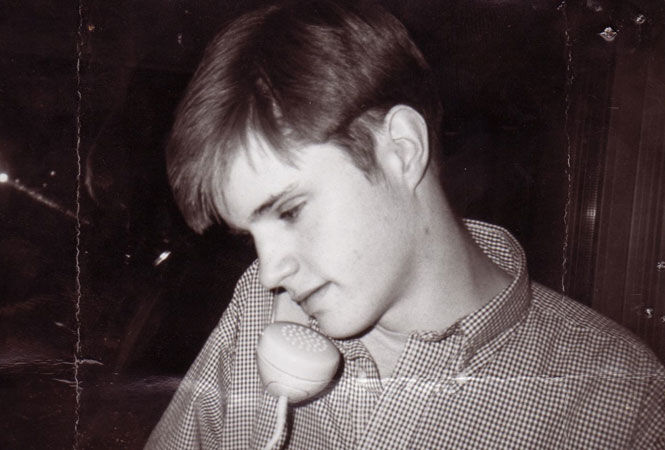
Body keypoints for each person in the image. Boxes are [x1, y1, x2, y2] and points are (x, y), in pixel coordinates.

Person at [146, 0, 665, 448]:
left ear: (400, 149)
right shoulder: (259, 313)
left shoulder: (625, 397)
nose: (270, 273)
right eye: (249, 237)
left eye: (290, 211)